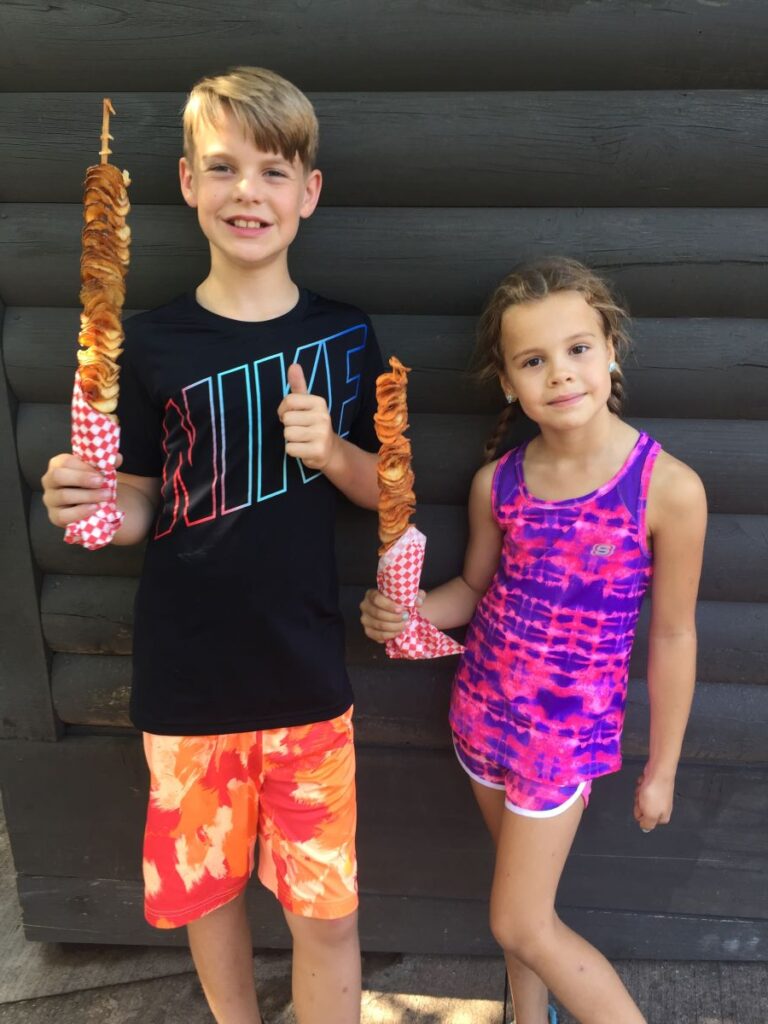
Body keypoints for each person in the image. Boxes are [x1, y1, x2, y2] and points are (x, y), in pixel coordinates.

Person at [41, 67, 384, 1024]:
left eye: (274, 172)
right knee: (209, 893)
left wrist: (335, 451)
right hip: (188, 680)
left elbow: (381, 491)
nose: (248, 192)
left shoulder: (343, 335)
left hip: (307, 674)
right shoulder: (150, 343)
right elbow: (145, 501)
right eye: (224, 168)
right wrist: (91, 500)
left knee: (325, 910)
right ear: (187, 183)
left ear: (308, 195)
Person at [360, 258, 707, 1024]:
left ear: (612, 348)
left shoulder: (666, 489)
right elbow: (474, 593)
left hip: (565, 742)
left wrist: (665, 767)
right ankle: (528, 1014)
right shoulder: (501, 484)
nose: (561, 374)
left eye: (578, 348)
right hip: (482, 715)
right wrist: (408, 609)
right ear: (509, 380)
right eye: (534, 360)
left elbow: (675, 634)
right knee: (519, 901)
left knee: (518, 919)